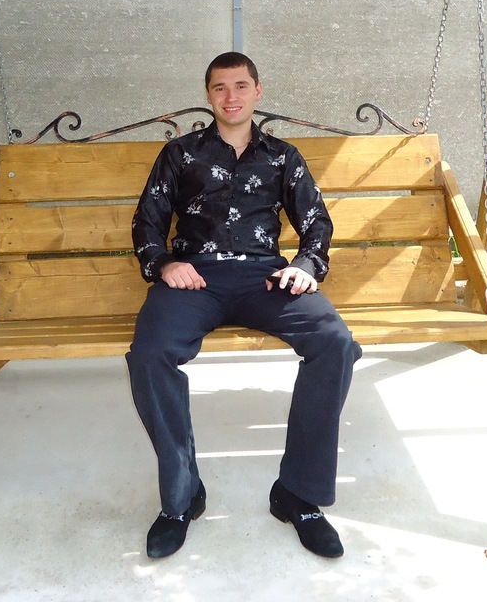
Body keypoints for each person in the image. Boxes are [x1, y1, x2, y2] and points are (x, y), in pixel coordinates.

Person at [127, 51, 362, 560]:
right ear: (208, 95)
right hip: (195, 277)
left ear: (258, 91)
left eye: (240, 86)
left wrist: (307, 264)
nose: (230, 96)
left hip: (264, 277)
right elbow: (148, 219)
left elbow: (316, 223)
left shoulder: (282, 156)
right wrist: (164, 264)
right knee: (150, 353)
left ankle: (298, 495)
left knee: (334, 342)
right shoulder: (180, 154)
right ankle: (181, 498)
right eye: (219, 87)